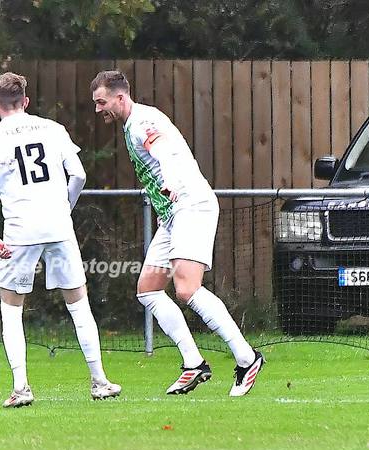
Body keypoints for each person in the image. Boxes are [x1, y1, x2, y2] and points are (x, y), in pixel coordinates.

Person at [90, 70, 264, 397]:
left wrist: (169, 182)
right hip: (171, 215)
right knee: (148, 290)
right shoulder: (133, 122)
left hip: (190, 205)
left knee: (186, 289)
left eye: (102, 102)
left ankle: (247, 358)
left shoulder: (142, 122)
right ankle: (193, 363)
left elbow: (164, 151)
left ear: (120, 97)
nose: (98, 109)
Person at [0, 72, 121, 408]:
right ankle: (100, 381)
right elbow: (79, 174)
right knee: (79, 305)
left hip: (19, 230)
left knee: (11, 310)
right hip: (58, 226)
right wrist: (64, 208)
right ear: (25, 101)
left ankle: (21, 388)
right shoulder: (53, 129)